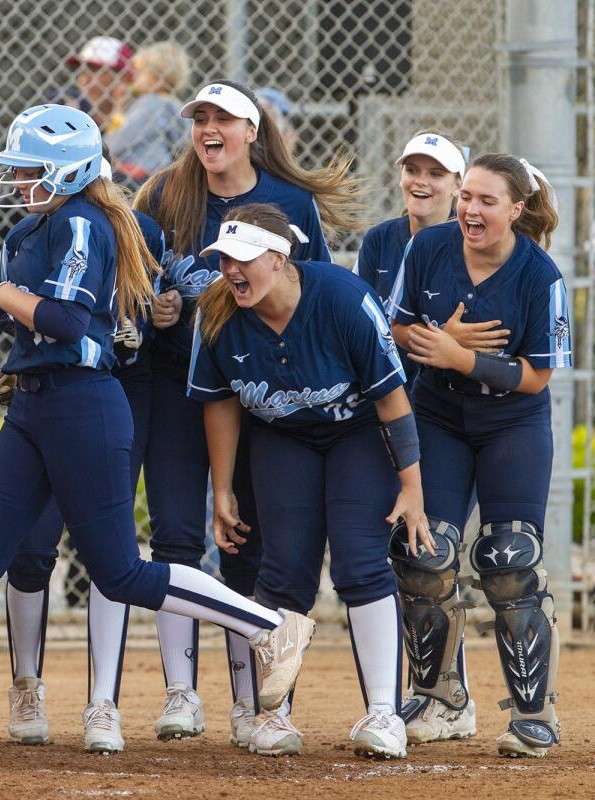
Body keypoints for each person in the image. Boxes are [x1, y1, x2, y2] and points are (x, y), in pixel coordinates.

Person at [0, 104, 315, 762]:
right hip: (33, 405)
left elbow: (61, 319)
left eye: (31, 169)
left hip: (82, 405)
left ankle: (271, 626)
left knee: (121, 572)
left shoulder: (83, 221)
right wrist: (2, 300)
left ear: (70, 171)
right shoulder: (38, 226)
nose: (20, 179)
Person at [133, 79, 362, 750]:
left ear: (251, 130)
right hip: (181, 386)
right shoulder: (163, 196)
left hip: (261, 396)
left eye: (222, 118)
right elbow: (136, 287)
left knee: (252, 547)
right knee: (174, 537)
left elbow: (309, 295)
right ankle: (180, 693)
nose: (208, 127)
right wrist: (158, 310)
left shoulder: (289, 203)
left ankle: (255, 704)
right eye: (199, 117)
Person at [190, 203, 430, 759]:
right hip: (282, 436)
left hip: (357, 435)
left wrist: (411, 487)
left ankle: (383, 714)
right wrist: (222, 489)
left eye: (245, 258)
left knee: (359, 561)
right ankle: (274, 715)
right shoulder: (218, 311)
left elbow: (392, 399)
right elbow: (220, 401)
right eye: (224, 258)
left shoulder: (343, 298)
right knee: (283, 567)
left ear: (279, 258)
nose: (232, 270)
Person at [387, 154, 569, 758]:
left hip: (511, 423)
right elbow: (396, 330)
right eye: (466, 196)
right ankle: (440, 698)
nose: (469, 209)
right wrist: (440, 339)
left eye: (487, 201)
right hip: (438, 413)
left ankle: (532, 713)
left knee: (508, 558)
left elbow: (537, 377)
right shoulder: (429, 248)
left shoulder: (540, 275)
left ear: (516, 209)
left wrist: (461, 356)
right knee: (422, 551)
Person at [1, 154, 172, 754]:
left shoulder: (132, 228)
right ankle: (27, 684)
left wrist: (145, 325)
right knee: (29, 548)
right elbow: (30, 324)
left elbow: (160, 308)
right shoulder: (26, 229)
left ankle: (104, 702)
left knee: (111, 558)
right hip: (51, 399)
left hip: (111, 400)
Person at [357, 131, 469, 388]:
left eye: (436, 174)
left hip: (449, 392)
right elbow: (360, 322)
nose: (420, 181)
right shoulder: (379, 239)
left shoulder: (471, 241)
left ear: (458, 185)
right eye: (412, 170)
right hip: (385, 386)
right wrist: (440, 338)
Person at [105, 42, 191, 185]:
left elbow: (114, 143)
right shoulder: (172, 104)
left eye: (139, 73)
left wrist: (118, 110)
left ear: (157, 76)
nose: (133, 78)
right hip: (158, 174)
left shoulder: (150, 104)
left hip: (136, 177)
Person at [57, 37, 134, 135]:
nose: (84, 80)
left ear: (123, 77)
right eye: (82, 71)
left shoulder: (141, 113)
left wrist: (117, 115)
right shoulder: (65, 106)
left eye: (95, 71)